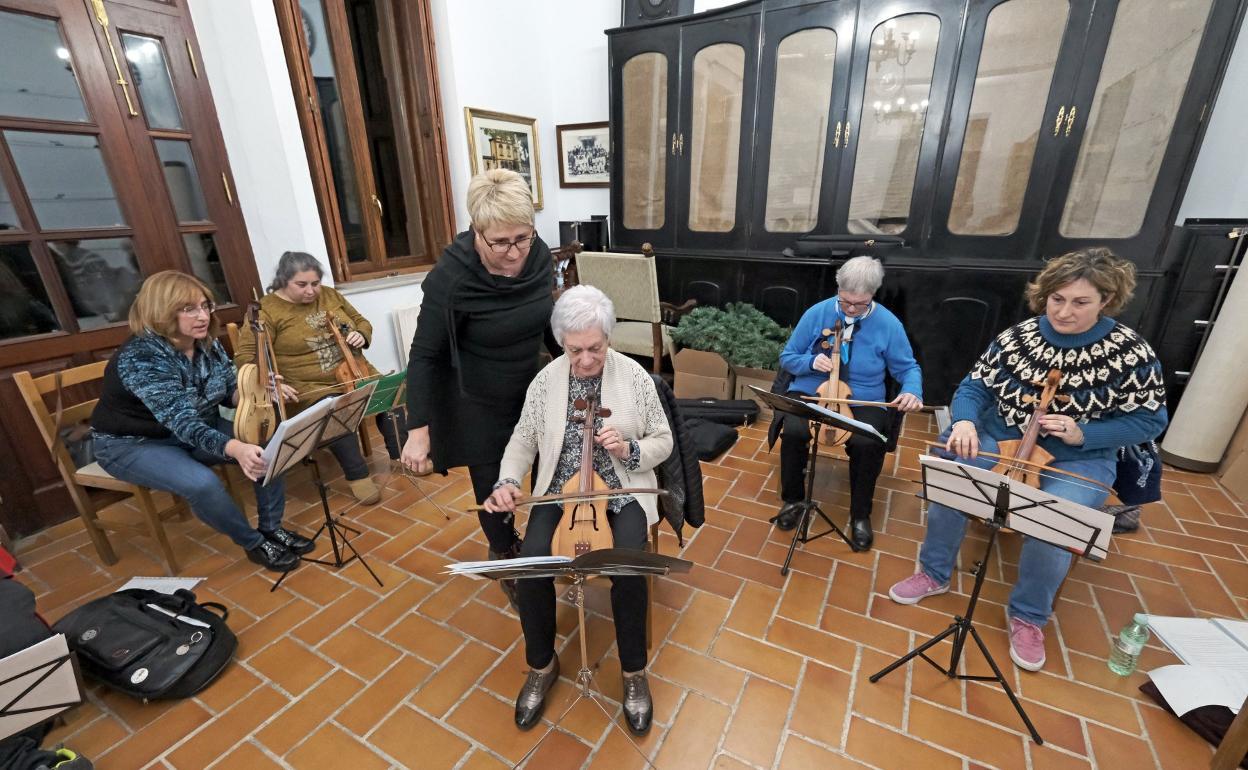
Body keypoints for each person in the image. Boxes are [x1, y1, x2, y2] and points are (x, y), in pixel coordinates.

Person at [888, 248, 1168, 672]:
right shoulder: (1019, 337)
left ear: (1105, 301)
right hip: (1000, 439)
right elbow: (974, 387)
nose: (1065, 312)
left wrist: (1085, 432)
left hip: (1078, 457)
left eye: (1080, 302)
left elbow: (1150, 420)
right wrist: (964, 423)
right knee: (951, 480)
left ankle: (1029, 615)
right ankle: (934, 572)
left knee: (1055, 523)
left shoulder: (1129, 352)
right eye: (1057, 299)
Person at [483, 285, 672, 735]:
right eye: (575, 350)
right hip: (561, 491)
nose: (586, 360)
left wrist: (628, 448)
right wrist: (508, 480)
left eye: (596, 348)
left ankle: (633, 674)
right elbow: (523, 440)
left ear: (608, 337)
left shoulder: (635, 377)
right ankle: (541, 664)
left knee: (627, 566)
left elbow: (662, 441)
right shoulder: (547, 380)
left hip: (622, 489)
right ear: (561, 343)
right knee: (531, 564)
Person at [90, 271, 312, 572]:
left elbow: (228, 392)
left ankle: (271, 528)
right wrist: (234, 447)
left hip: (194, 428)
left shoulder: (206, 342)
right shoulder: (142, 356)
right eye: (189, 308)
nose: (203, 315)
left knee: (269, 444)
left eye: (206, 306)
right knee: (203, 484)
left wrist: (258, 393)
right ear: (161, 311)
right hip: (132, 444)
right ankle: (253, 543)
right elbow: (183, 422)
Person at [401, 169, 555, 592]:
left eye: (522, 238)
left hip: (532, 387)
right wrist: (418, 429)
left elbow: (549, 320)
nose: (514, 253)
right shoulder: (451, 279)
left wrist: (576, 362)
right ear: (476, 231)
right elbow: (424, 355)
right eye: (500, 242)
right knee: (495, 488)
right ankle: (504, 554)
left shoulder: (538, 255)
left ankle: (545, 547)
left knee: (550, 471)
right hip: (478, 401)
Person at [770, 256, 924, 550]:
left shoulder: (888, 324)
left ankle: (860, 515)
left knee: (868, 443)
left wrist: (913, 391)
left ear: (872, 296)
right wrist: (811, 361)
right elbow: (788, 357)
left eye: (860, 304)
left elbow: (908, 368)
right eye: (845, 302)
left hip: (865, 396)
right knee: (795, 430)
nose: (851, 309)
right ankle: (792, 501)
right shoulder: (818, 313)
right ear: (838, 290)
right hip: (813, 389)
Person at [235, 251, 389, 504]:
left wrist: (361, 334)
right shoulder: (267, 310)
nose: (311, 291)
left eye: (315, 283)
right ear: (284, 281)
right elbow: (245, 356)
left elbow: (361, 321)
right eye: (302, 285)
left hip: (353, 369)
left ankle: (404, 452)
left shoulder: (330, 295)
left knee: (386, 390)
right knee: (337, 407)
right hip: (308, 386)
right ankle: (358, 476)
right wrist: (270, 379)